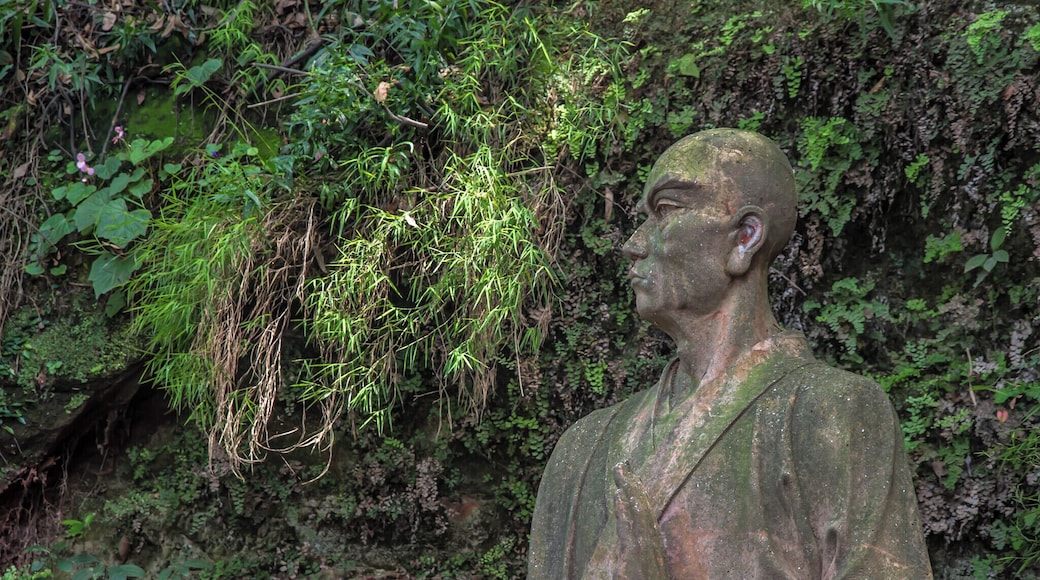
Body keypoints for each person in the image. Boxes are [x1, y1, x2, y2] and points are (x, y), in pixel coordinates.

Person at [528, 129, 932, 579]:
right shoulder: (580, 451)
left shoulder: (830, 413)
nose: (634, 243)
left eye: (665, 210)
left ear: (745, 237)